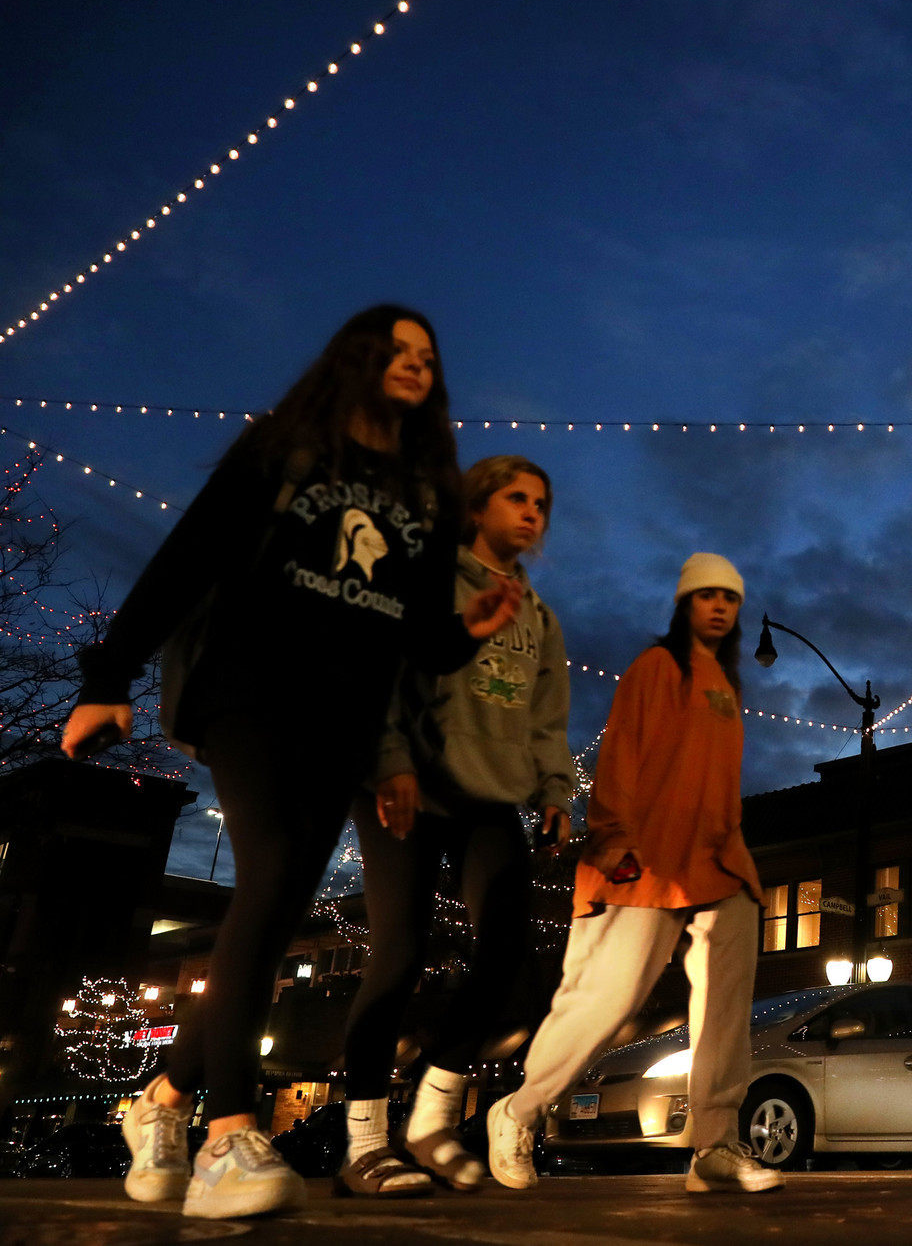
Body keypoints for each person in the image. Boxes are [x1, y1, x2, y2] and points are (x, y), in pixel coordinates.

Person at [68, 306, 522, 1220]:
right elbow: (190, 552)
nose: (415, 365)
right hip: (249, 690)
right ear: (355, 358)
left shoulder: (425, 493)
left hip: (345, 726)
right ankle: (229, 1134)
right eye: (396, 351)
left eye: (428, 357)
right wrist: (108, 673)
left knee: (270, 915)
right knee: (270, 873)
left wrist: (463, 631)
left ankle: (156, 1101)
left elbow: (415, 639)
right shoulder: (287, 446)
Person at [484, 555, 781, 1195]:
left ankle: (715, 1144)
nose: (720, 607)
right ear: (684, 605)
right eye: (706, 596)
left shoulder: (727, 685)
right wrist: (616, 837)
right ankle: (517, 1111)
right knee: (609, 997)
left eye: (729, 597)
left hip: (715, 859)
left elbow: (724, 782)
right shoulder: (655, 669)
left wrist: (735, 850)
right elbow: (621, 754)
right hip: (643, 853)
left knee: (727, 998)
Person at [334, 455, 574, 1198]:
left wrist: (557, 787)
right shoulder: (426, 576)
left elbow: (546, 714)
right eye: (516, 498)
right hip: (406, 782)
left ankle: (432, 1112)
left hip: (490, 798)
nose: (532, 512)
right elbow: (387, 671)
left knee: (506, 951)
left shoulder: (538, 614)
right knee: (399, 955)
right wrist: (389, 758)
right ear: (477, 506)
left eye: (542, 501)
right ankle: (364, 1142)